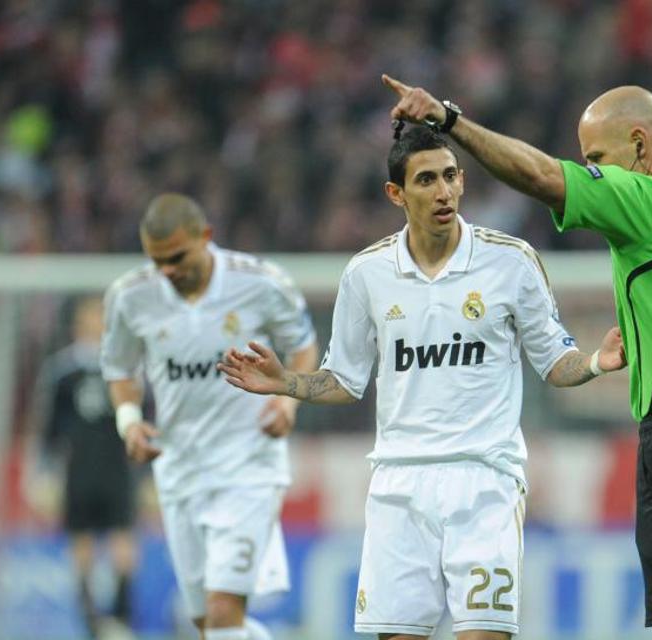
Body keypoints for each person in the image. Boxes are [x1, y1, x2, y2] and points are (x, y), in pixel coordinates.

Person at [381, 77, 652, 640]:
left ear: (639, 143)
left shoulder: (650, 199)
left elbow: (539, 176)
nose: (594, 170)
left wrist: (449, 120)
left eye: (598, 158)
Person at [218, 126, 626, 640]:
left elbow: (553, 362)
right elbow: (344, 380)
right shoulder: (366, 274)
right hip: (399, 484)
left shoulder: (510, 261)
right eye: (427, 179)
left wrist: (593, 362)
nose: (444, 191)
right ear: (397, 193)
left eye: (451, 177)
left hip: (485, 480)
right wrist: (287, 383)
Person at [100, 193, 319, 640]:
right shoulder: (131, 296)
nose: (168, 271)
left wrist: (288, 400)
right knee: (208, 625)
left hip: (248, 467)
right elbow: (119, 368)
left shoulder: (260, 283)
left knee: (222, 613)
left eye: (177, 257)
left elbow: (302, 345)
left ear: (206, 237)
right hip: (179, 471)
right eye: (157, 260)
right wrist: (129, 421)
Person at [29, 296, 137, 640]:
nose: (98, 322)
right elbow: (48, 429)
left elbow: (144, 418)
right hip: (79, 469)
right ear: (79, 322)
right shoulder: (63, 370)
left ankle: (121, 615)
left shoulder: (126, 368)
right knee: (82, 542)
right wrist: (42, 472)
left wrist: (149, 470)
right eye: (93, 316)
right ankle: (89, 619)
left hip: (118, 467)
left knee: (123, 540)